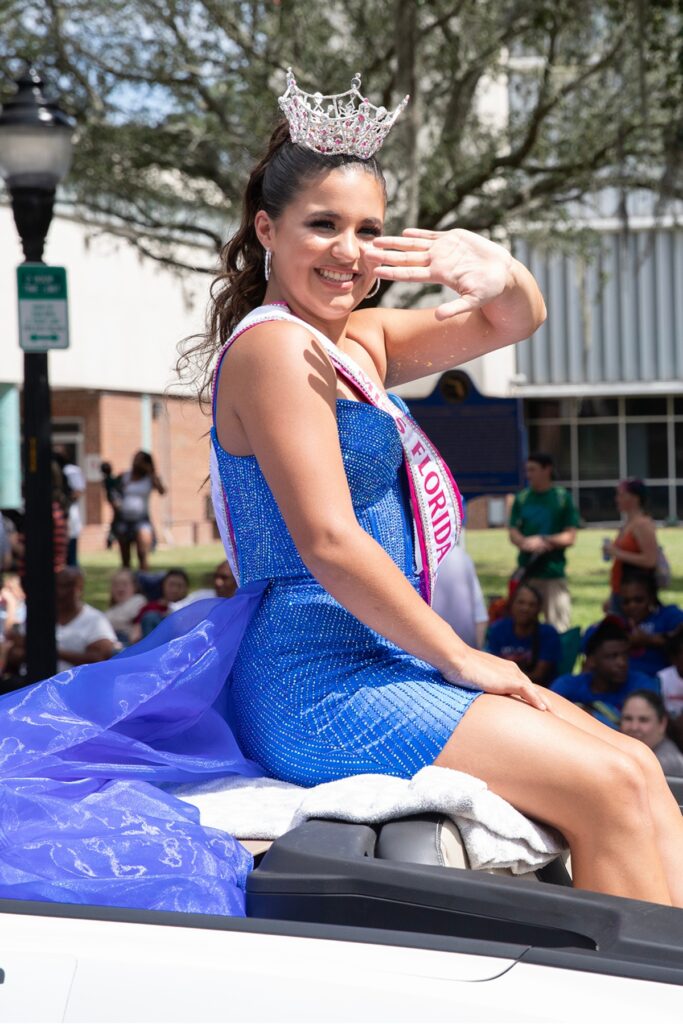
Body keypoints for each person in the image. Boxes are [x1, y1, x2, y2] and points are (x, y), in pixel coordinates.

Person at [0, 70, 681, 914]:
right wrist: (464, 658)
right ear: (266, 229)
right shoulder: (275, 351)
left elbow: (514, 321)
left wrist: (494, 268)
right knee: (608, 786)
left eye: (369, 230)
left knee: (639, 766)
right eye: (322, 225)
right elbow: (327, 541)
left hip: (384, 655)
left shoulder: (358, 337)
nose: (349, 251)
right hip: (314, 675)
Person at [508, 453, 579, 632]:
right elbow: (513, 531)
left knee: (558, 626)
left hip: (553, 574)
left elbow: (570, 536)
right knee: (523, 626)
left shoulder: (562, 498)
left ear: (547, 469)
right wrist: (525, 543)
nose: (528, 474)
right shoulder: (522, 498)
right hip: (528, 573)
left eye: (533, 469)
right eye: (527, 470)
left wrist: (544, 540)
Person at [550, 619, 658, 728]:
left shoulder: (641, 686)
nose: (622, 663)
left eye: (625, 655)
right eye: (612, 656)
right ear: (592, 660)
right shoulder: (567, 685)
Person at [485, 583, 561, 686]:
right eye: (521, 602)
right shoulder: (498, 630)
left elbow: (539, 675)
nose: (525, 609)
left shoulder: (548, 634)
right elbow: (490, 666)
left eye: (531, 605)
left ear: (539, 609)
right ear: (512, 605)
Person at [603, 479, 658, 604]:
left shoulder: (643, 524)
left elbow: (650, 560)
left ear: (635, 498)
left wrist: (617, 553)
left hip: (635, 597)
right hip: (620, 591)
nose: (617, 499)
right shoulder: (627, 524)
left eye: (621, 495)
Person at [619, 572, 683, 678]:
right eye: (626, 601)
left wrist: (648, 640)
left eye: (638, 600)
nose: (632, 606)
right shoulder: (618, 623)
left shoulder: (669, 615)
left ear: (651, 598)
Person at [55, 567, 117, 671]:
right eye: (57, 585)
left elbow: (100, 657)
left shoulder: (95, 619)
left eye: (67, 586)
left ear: (80, 588)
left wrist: (55, 653)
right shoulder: (39, 617)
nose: (60, 592)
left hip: (75, 683)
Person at [114, 451, 166, 571]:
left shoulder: (149, 478)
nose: (137, 463)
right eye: (135, 459)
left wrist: (151, 472)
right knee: (125, 558)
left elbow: (162, 491)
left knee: (142, 553)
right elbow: (114, 491)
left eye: (140, 461)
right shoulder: (125, 476)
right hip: (124, 518)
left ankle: (143, 580)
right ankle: (127, 582)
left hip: (141, 519)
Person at [431, 545, 489, 649]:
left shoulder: (461, 557)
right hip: (462, 651)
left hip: (431, 650)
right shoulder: (461, 556)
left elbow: (480, 616)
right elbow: (480, 616)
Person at [620, 691, 683, 777]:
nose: (634, 727)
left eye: (643, 720)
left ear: (662, 724)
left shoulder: (667, 763)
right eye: (628, 718)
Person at [53, 445, 86, 567]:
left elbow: (78, 492)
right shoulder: (49, 470)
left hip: (69, 514)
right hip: (58, 514)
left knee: (70, 554)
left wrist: (65, 501)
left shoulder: (72, 471)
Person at [133, 567, 190, 638]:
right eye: (171, 585)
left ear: (186, 588)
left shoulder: (192, 607)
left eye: (179, 586)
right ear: (163, 586)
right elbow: (135, 635)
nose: (175, 590)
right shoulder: (150, 608)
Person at [171, 559, 238, 610]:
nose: (217, 582)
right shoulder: (202, 597)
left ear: (236, 579)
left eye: (224, 578)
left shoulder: (244, 605)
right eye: (215, 576)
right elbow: (176, 608)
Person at [104, 567, 146, 645]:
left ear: (134, 587)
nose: (120, 588)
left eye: (125, 584)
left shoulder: (138, 600)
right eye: (116, 585)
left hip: (130, 642)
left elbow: (124, 617)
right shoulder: (110, 611)